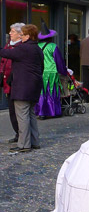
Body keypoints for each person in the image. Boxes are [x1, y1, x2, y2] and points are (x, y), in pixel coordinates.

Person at [0, 24, 44, 152]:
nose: (21, 36)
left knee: (22, 116)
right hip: (34, 86)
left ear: (28, 36)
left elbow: (5, 52)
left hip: (23, 87)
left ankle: (24, 145)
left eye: (23, 34)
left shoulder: (24, 48)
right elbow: (42, 67)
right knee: (31, 114)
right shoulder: (37, 49)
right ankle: (35, 142)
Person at [34, 22, 67, 118]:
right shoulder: (53, 46)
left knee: (41, 92)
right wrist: (63, 71)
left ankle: (41, 112)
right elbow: (59, 61)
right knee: (52, 91)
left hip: (40, 72)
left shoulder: (37, 46)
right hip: (51, 72)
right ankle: (53, 111)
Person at [0, 23, 25, 143]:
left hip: (17, 83)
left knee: (19, 112)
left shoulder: (21, 47)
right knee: (12, 111)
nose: (10, 33)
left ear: (20, 35)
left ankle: (23, 136)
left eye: (13, 31)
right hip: (7, 83)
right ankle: (17, 133)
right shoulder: (9, 45)